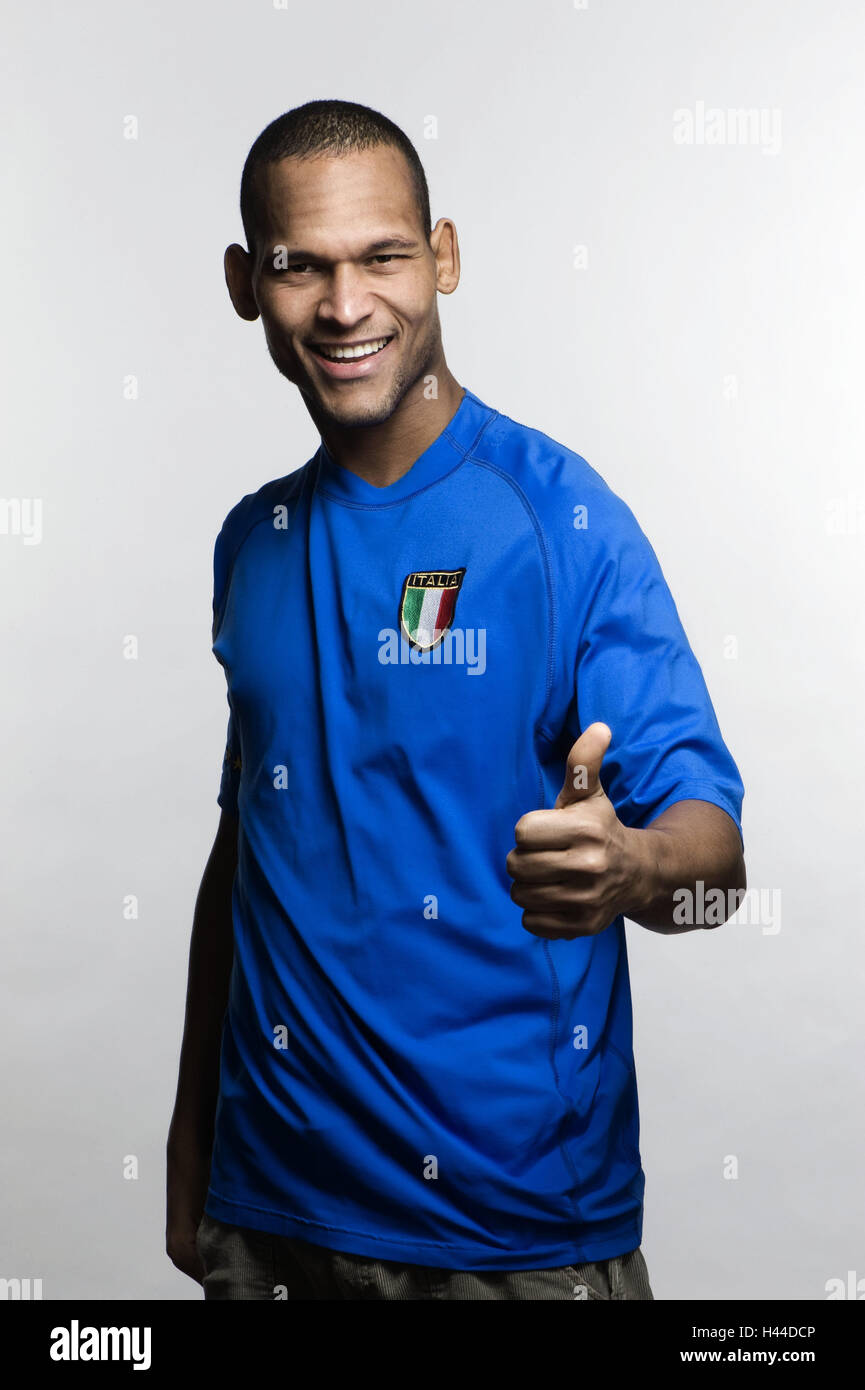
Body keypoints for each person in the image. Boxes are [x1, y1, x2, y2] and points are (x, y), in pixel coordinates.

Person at [166, 99, 746, 1302]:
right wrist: (189, 1143)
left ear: (443, 256)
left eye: (381, 255)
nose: (343, 304)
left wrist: (631, 869)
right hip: (267, 1217)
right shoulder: (251, 541)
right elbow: (249, 856)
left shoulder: (563, 519)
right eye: (299, 266)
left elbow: (718, 867)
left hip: (511, 1234)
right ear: (243, 283)